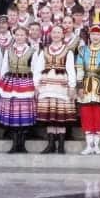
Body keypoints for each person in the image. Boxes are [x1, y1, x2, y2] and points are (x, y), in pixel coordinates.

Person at [0, 24, 40, 154]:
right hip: (11, 83)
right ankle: (15, 144)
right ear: (14, 36)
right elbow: (4, 67)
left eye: (22, 35)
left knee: (24, 114)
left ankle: (22, 144)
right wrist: (2, 84)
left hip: (26, 83)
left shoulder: (32, 51)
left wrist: (36, 86)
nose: (19, 37)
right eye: (17, 35)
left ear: (26, 36)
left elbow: (35, 70)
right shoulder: (9, 50)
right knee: (13, 114)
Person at [36, 24, 78, 155]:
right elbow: (38, 68)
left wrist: (72, 86)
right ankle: (51, 144)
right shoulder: (44, 50)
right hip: (47, 85)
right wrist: (36, 85)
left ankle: (60, 145)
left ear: (63, 34)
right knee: (50, 115)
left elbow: (71, 69)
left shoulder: (68, 51)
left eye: (59, 32)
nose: (56, 35)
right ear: (50, 34)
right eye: (54, 32)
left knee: (60, 115)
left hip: (61, 86)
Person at [76, 23, 100, 156]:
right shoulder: (82, 50)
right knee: (86, 115)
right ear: (89, 35)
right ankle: (88, 145)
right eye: (93, 34)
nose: (95, 36)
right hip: (85, 85)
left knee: (99, 114)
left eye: (98, 34)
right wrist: (79, 86)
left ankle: (96, 145)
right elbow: (79, 69)